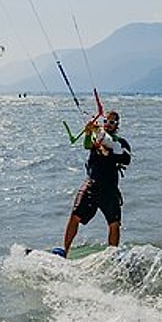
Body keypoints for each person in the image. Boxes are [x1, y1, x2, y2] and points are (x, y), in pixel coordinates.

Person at [57, 110, 131, 258]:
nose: (108, 124)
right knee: (75, 216)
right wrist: (88, 131)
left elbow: (126, 159)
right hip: (92, 184)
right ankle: (65, 251)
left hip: (110, 188)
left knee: (114, 223)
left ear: (117, 125)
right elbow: (87, 145)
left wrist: (106, 150)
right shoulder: (97, 136)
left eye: (112, 122)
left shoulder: (120, 142)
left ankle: (112, 256)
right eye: (106, 121)